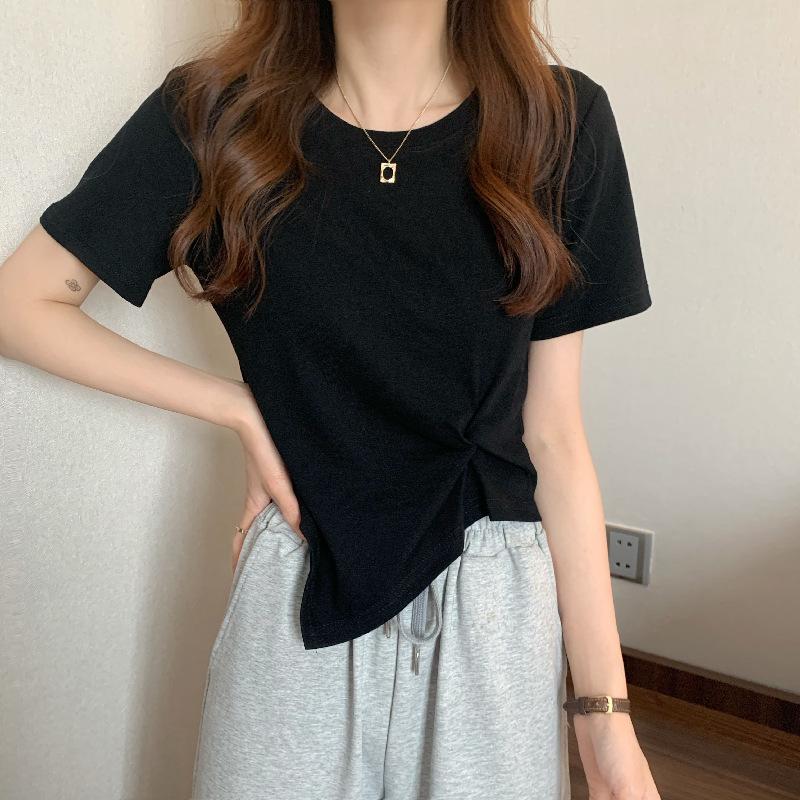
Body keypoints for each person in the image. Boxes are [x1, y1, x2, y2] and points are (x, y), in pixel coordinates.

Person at [0, 1, 661, 798]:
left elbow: (552, 435)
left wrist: (604, 715)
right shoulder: (215, 115)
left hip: (491, 606)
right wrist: (238, 408)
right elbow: (20, 304)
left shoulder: (557, 122)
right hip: (296, 592)